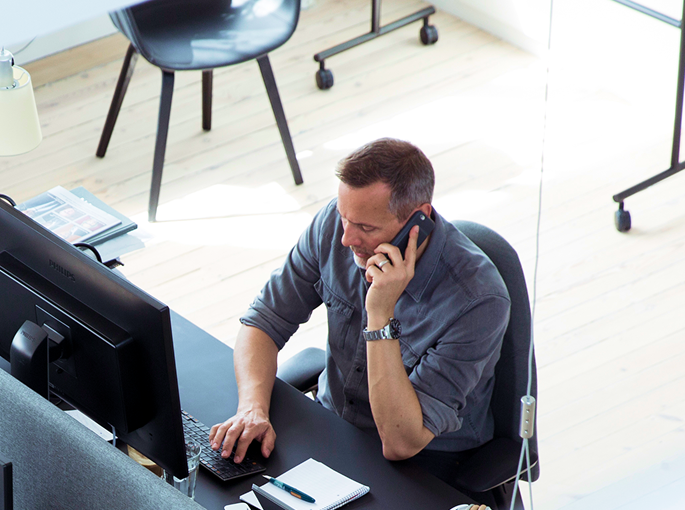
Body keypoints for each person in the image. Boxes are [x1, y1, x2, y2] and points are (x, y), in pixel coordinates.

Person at [210, 138, 510, 487]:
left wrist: (380, 315)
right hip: (333, 426)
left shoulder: (477, 301)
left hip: (425, 464)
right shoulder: (337, 226)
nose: (346, 239)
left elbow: (401, 443)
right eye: (344, 217)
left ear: (420, 221)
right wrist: (252, 407)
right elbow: (264, 319)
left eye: (366, 228)